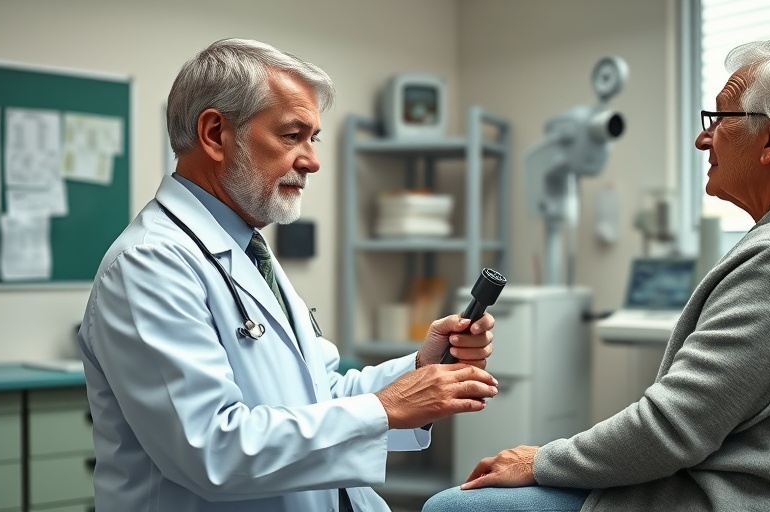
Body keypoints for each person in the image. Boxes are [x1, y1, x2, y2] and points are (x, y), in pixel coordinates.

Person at [424, 35, 770, 512]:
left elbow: (671, 430)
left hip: (709, 499)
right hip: (728, 483)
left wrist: (541, 459)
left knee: (450, 507)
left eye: (719, 120)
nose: (702, 138)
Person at [76, 38, 499, 512]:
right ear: (215, 133)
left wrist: (420, 372)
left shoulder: (247, 248)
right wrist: (385, 407)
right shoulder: (149, 264)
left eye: (313, 138)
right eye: (292, 135)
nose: (312, 160)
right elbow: (212, 450)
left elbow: (319, 395)